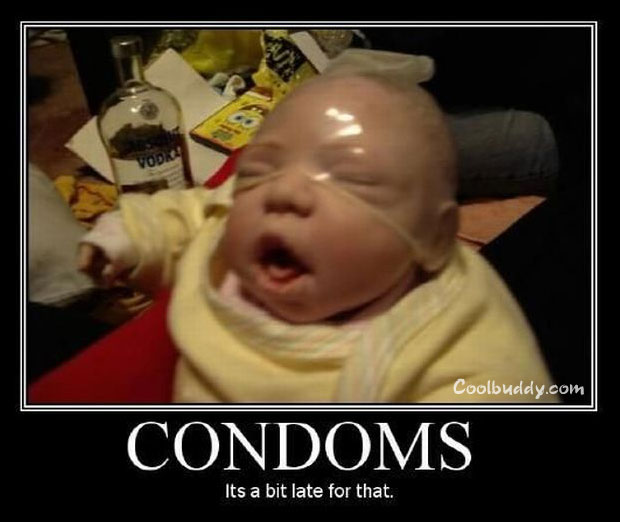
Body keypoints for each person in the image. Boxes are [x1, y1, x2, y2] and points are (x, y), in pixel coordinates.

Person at [78, 72, 556, 403]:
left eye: (350, 180)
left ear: (432, 237)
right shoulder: (233, 218)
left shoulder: (452, 338)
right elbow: (189, 214)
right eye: (261, 168)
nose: (284, 190)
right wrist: (129, 236)